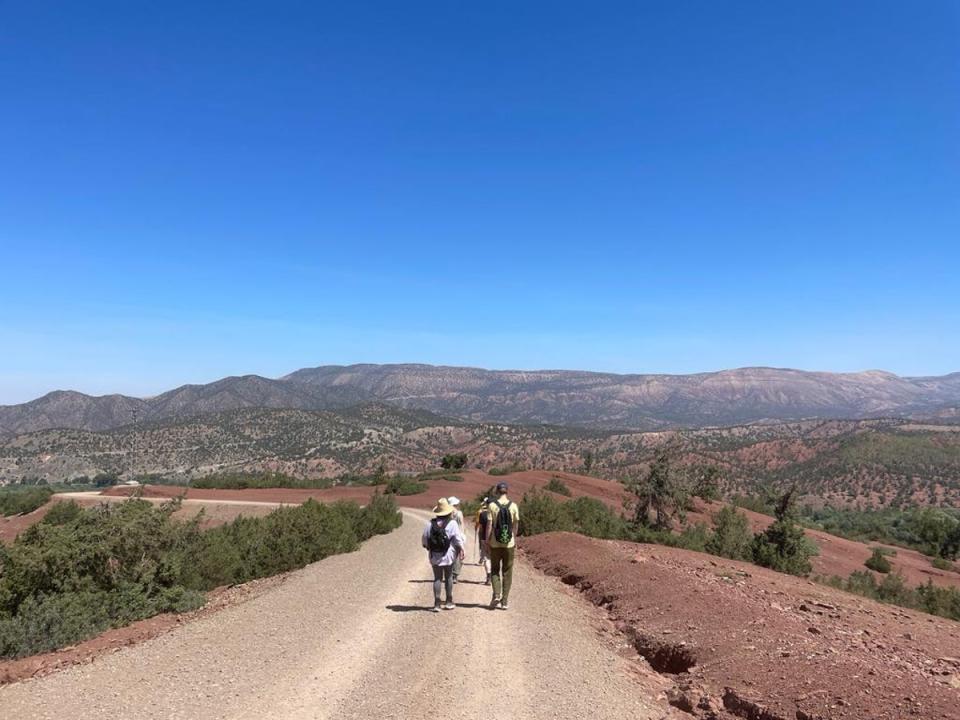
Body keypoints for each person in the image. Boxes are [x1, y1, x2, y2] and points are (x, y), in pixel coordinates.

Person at [422, 498, 465, 611]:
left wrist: (428, 548)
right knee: (449, 577)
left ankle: (437, 604)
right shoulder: (452, 523)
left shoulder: (430, 524)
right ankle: (449, 601)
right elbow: (457, 539)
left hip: (434, 555)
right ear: (448, 511)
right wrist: (461, 549)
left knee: (437, 578)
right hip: (448, 555)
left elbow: (425, 540)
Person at [483, 482, 519, 610]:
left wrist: (487, 541)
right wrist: (514, 540)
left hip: (495, 543)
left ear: (497, 491)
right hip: (509, 544)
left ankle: (496, 594)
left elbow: (489, 525)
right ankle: (504, 602)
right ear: (507, 491)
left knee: (494, 569)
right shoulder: (514, 506)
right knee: (507, 572)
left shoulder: (492, 505)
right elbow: (515, 526)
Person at [475, 496, 492, 584]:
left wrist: (481, 537)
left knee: (486, 558)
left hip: (484, 538)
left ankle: (488, 576)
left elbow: (481, 528)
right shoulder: (498, 513)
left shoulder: (482, 514)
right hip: (496, 540)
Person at [447, 496, 465, 583]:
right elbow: (462, 525)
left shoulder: (446, 513)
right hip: (458, 536)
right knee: (458, 556)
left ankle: (449, 573)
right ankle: (455, 575)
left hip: (449, 537)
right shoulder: (459, 513)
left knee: (450, 555)